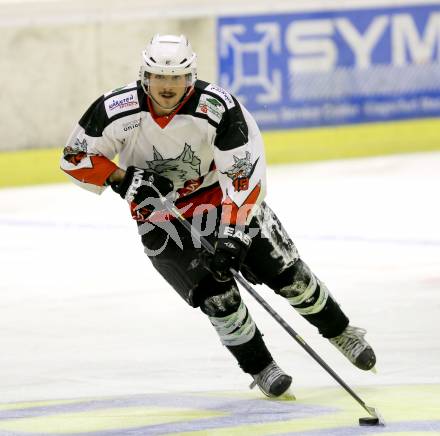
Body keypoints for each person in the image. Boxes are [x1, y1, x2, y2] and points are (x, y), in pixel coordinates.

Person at [61, 34, 376, 398]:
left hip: (218, 196)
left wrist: (233, 234)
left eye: (177, 77)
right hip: (159, 214)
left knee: (288, 274)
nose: (168, 86)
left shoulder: (218, 108)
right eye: (160, 77)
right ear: (144, 77)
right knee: (216, 296)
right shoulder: (115, 109)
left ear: (190, 77)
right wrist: (123, 178)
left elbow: (243, 176)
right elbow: (73, 156)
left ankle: (340, 331)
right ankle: (261, 367)